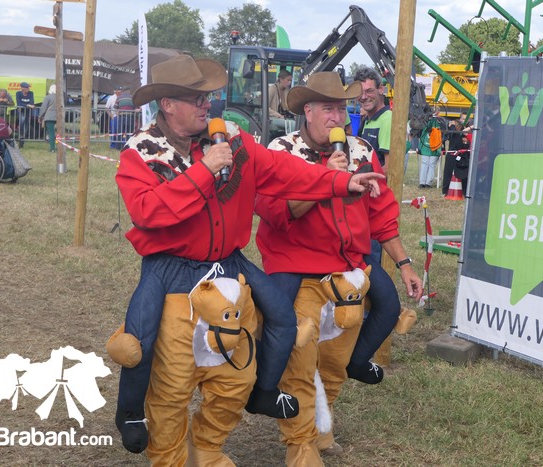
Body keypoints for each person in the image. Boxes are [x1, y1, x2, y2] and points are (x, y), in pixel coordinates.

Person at [112, 55, 384, 464]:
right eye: (196, 99)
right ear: (167, 104)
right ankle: (133, 416)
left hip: (228, 264)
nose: (207, 104)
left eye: (207, 97)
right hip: (172, 270)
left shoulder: (231, 139)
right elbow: (148, 212)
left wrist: (340, 181)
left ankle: (234, 422)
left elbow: (282, 171)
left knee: (257, 349)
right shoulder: (140, 151)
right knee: (148, 351)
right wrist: (205, 170)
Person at [255, 71, 423, 464]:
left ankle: (326, 416)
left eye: (342, 109)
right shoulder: (282, 150)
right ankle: (269, 399)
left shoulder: (361, 150)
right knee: (289, 342)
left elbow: (381, 214)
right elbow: (273, 212)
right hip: (296, 262)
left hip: (350, 265)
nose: (337, 118)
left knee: (346, 349)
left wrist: (404, 263)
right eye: (328, 109)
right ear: (308, 112)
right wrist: (327, 179)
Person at [354, 66, 392, 171]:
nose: (364, 97)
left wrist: (359, 179)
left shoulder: (387, 120)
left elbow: (389, 168)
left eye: (369, 91)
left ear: (380, 89)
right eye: (360, 92)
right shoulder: (367, 120)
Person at [268, 69, 293, 135]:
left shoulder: (286, 90)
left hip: (282, 118)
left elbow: (288, 107)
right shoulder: (272, 89)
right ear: (281, 79)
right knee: (292, 124)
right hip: (271, 119)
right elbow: (265, 108)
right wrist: (278, 116)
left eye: (290, 81)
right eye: (288, 80)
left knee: (297, 123)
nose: (289, 82)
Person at [37, 85, 57, 152]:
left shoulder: (48, 97)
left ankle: (52, 148)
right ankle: (58, 147)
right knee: (58, 133)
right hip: (59, 117)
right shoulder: (60, 97)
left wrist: (40, 116)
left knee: (51, 133)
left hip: (49, 117)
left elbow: (43, 108)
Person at [15, 82, 35, 147]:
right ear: (22, 88)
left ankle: (22, 139)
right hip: (21, 112)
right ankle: (21, 137)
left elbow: (32, 102)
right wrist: (27, 105)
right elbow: (19, 104)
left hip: (28, 112)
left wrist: (28, 105)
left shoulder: (31, 93)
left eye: (28, 87)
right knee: (21, 124)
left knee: (26, 126)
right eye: (26, 87)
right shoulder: (18, 93)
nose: (28, 89)